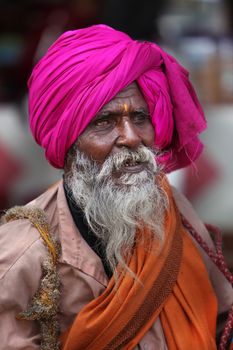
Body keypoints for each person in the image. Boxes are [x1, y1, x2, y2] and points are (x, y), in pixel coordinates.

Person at [0, 25, 232, 350]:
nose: (132, 137)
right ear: (68, 145)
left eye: (140, 117)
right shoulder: (23, 252)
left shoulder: (168, 205)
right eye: (103, 122)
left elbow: (223, 318)